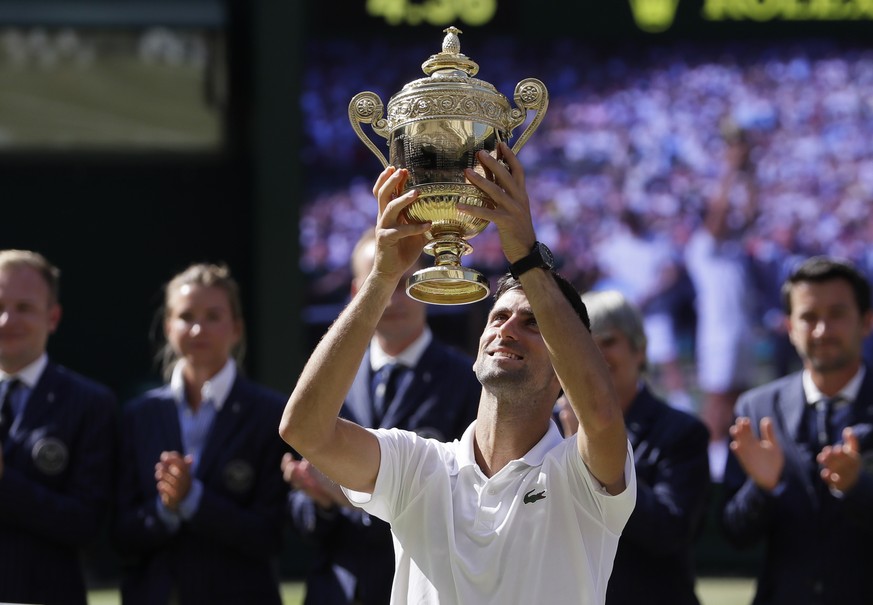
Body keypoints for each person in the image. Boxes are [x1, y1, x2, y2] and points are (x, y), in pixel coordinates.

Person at [279, 143, 636, 604]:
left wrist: (526, 257)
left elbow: (603, 416)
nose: (507, 329)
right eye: (498, 317)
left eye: (534, 323)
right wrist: (382, 280)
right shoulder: (418, 465)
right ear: (476, 350)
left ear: (565, 369)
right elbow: (303, 429)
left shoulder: (580, 476)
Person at [283, 228, 480, 605]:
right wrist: (318, 499)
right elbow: (298, 514)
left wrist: (344, 495)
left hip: (420, 588)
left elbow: (466, 503)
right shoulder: (328, 379)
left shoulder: (466, 381)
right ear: (359, 292)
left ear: (423, 284)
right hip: (335, 591)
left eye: (403, 279)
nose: (393, 297)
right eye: (380, 280)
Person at [114, 262, 291, 605]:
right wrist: (166, 508)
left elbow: (270, 535)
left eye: (213, 316)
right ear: (167, 327)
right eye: (185, 316)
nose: (198, 329)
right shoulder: (140, 414)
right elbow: (121, 533)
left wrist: (193, 499)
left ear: (237, 328)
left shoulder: (272, 414)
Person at [721, 256, 873, 604]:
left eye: (836, 314)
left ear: (866, 321)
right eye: (809, 317)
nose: (822, 330)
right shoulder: (756, 410)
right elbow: (735, 534)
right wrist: (762, 488)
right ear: (789, 327)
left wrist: (858, 488)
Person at [559, 290, 709, 605]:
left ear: (639, 350)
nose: (597, 355)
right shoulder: (549, 427)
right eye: (586, 343)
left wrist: (591, 452)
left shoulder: (682, 432)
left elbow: (670, 530)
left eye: (609, 341)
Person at [0, 249, 117, 605]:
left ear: (53, 317)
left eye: (24, 308)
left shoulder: (90, 403)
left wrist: (5, 481)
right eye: (0, 305)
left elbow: (88, 526)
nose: (7, 320)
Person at [684, 128, 759, 480]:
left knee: (741, 398)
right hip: (718, 335)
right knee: (718, 400)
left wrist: (749, 169)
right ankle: (710, 465)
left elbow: (752, 212)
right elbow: (719, 212)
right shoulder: (702, 246)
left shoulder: (731, 247)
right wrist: (729, 170)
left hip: (740, 330)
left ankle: (733, 460)